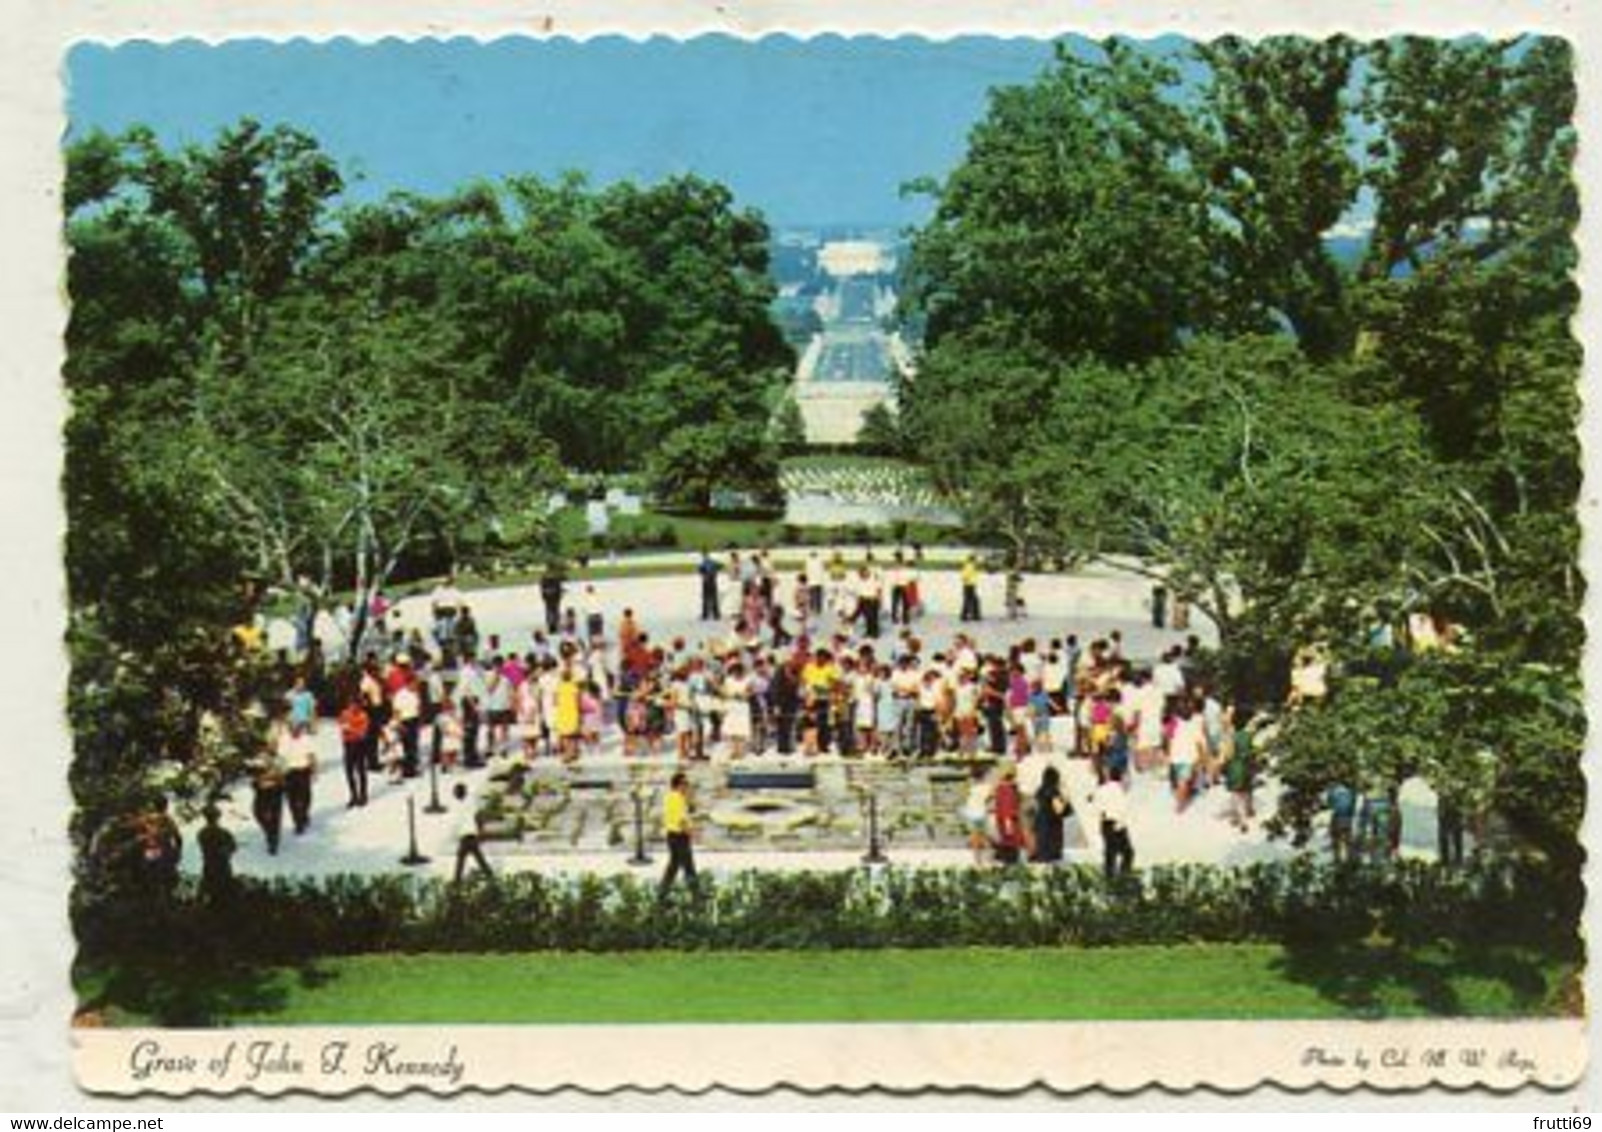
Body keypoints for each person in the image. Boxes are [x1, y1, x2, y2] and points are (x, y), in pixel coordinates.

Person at [658, 772, 698, 898]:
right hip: (679, 836)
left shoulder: (672, 797)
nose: (687, 786)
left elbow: (690, 809)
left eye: (688, 783)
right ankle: (696, 894)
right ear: (678, 785)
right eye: (685, 783)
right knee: (688, 866)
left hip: (672, 835)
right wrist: (690, 832)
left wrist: (688, 797)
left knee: (674, 865)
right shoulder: (676, 798)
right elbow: (681, 819)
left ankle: (662, 892)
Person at [1096, 766, 1134, 880]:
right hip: (1117, 823)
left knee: (1110, 854)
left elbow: (1096, 806)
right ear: (1120, 778)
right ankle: (1123, 875)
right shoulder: (1119, 791)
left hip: (1106, 823)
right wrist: (1120, 824)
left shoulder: (1102, 789)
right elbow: (1122, 810)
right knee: (1127, 852)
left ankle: (1110, 877)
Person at [450, 781, 493, 883]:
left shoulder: (469, 803)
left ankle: (457, 881)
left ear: (461, 792)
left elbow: (478, 817)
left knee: (462, 858)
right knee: (476, 857)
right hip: (467, 835)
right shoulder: (460, 804)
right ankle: (489, 875)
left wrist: (481, 831)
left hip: (468, 835)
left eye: (456, 792)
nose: (454, 794)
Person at [281, 720, 318, 835]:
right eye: (292, 728)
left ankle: (304, 814)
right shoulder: (284, 739)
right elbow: (280, 757)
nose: (294, 730)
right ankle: (298, 822)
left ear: (300, 729)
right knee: (291, 798)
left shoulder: (306, 739)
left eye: (297, 728)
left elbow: (312, 755)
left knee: (305, 796)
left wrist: (314, 771)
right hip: (289, 771)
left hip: (303, 770)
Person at [197, 804, 236, 902]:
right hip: (217, 866)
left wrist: (225, 850)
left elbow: (232, 847)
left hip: (214, 866)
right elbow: (233, 847)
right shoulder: (223, 832)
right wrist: (225, 850)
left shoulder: (202, 832)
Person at [337, 695, 370, 808]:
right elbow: (342, 727)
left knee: (361, 770)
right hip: (348, 744)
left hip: (360, 745)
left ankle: (363, 794)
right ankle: (353, 795)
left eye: (355, 705)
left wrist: (351, 728)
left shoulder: (363, 715)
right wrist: (352, 729)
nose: (352, 707)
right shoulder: (344, 714)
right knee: (349, 771)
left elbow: (363, 732)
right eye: (351, 705)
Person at [1032, 765, 1069, 864]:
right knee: (1052, 860)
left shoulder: (1039, 791)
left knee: (1042, 857)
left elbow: (1034, 808)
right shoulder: (1053, 791)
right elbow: (1059, 810)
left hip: (1040, 826)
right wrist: (1066, 798)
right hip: (1052, 829)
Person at [992, 765, 1024, 865]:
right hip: (1010, 825)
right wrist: (1008, 824)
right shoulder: (1007, 790)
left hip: (1005, 822)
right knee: (1010, 852)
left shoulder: (1001, 789)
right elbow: (1007, 810)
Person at [1327, 782, 1357, 863]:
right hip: (1348, 817)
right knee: (1348, 839)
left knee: (1336, 839)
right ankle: (1350, 858)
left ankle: (1337, 859)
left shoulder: (1332, 791)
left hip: (1337, 816)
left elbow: (1329, 804)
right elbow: (1353, 805)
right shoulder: (1351, 791)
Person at [539, 565, 565, 634]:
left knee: (550, 611)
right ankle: (554, 625)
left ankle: (552, 626)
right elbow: (558, 588)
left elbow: (542, 589)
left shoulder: (544, 579)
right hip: (554, 598)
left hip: (549, 598)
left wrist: (544, 596)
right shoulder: (555, 579)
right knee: (554, 611)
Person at [697, 552, 722, 621]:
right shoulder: (713, 562)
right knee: (713, 598)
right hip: (712, 582)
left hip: (706, 583)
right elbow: (720, 566)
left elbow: (700, 571)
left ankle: (705, 614)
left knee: (706, 598)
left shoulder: (703, 563)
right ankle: (716, 614)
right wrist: (715, 572)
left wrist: (705, 574)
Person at [960, 555, 982, 622]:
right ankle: (972, 615)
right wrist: (968, 580)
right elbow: (964, 576)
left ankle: (968, 615)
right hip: (969, 585)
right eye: (975, 560)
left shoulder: (970, 566)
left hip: (970, 585)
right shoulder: (970, 566)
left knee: (970, 600)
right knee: (970, 601)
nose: (976, 561)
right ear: (973, 560)